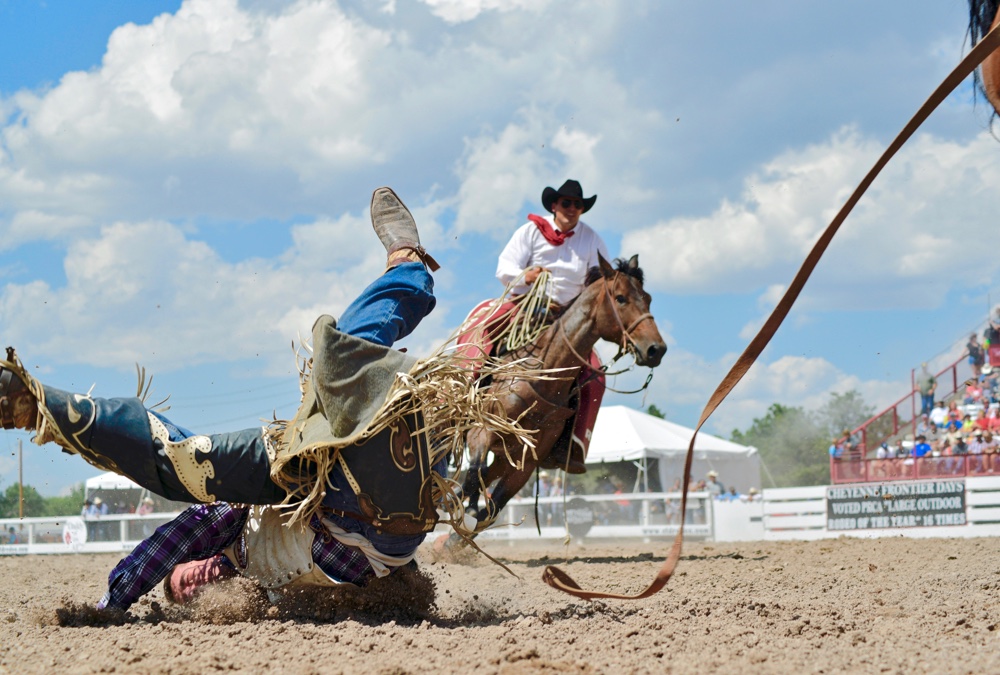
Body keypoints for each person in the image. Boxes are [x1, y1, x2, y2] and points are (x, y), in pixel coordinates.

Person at [0, 187, 518, 611]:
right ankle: (411, 269)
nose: (193, 580)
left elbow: (173, 541)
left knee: (187, 460)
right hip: (371, 536)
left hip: (361, 529)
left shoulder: (237, 530)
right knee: (338, 360)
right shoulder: (259, 578)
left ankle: (40, 407)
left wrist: (114, 600)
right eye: (190, 590)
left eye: (181, 577)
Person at [490, 179, 612, 474]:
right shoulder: (530, 231)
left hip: (569, 320)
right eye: (566, 203)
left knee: (595, 375)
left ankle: (573, 445)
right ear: (554, 205)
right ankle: (467, 397)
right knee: (487, 330)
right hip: (527, 306)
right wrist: (527, 276)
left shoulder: (592, 239)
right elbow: (504, 268)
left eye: (577, 204)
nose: (572, 208)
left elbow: (603, 283)